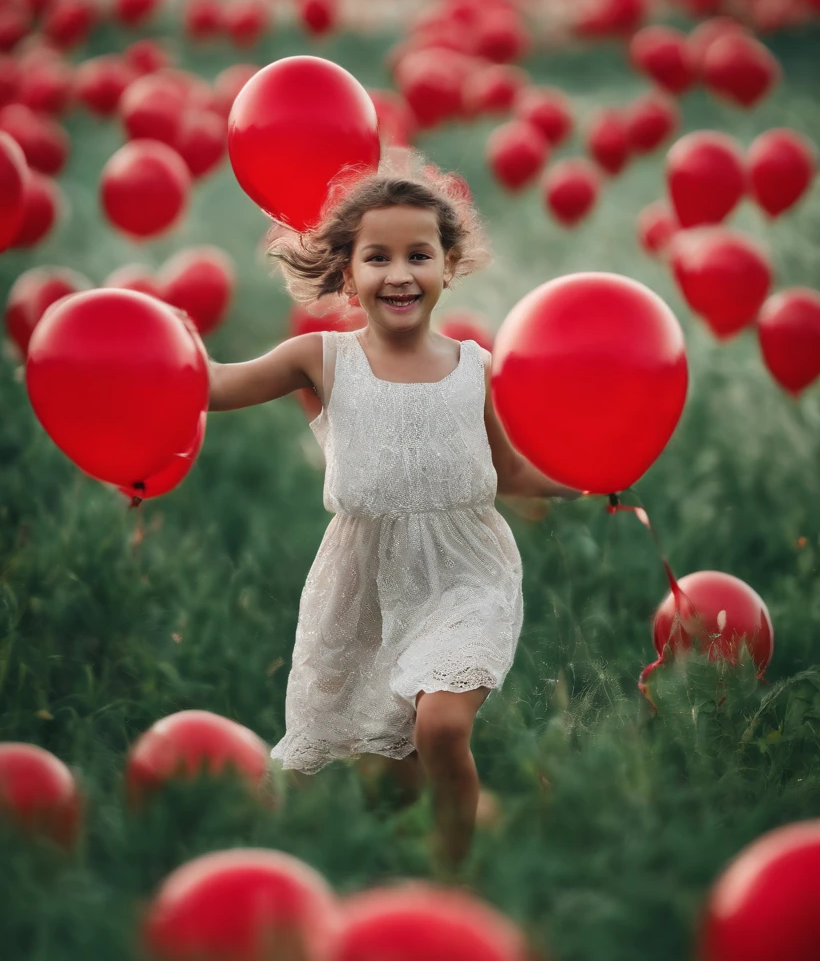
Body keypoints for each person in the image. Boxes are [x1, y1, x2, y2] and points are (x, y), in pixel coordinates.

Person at [207, 154, 582, 875]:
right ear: (347, 274)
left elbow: (506, 473)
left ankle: (453, 881)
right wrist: (160, 343)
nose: (400, 273)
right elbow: (218, 386)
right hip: (366, 589)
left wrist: (590, 480)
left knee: (439, 727)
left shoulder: (476, 368)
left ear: (449, 266)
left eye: (420, 254)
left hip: (465, 575)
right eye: (377, 257)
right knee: (388, 772)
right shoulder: (321, 358)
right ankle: (472, 819)